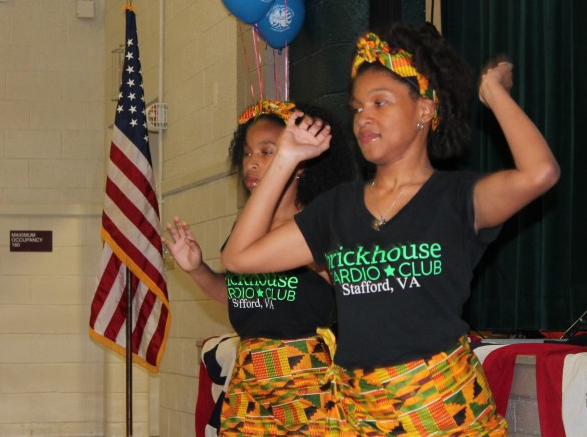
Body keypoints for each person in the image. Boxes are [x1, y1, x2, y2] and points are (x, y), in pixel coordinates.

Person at [222, 22, 560, 436]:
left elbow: (540, 172)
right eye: (358, 108)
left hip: (440, 408)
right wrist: (286, 159)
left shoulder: (456, 198)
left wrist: (493, 93)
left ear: (425, 109)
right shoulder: (337, 209)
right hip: (358, 412)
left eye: (380, 103)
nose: (364, 117)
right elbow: (238, 257)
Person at [163, 99, 355, 436]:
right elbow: (241, 296)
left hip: (306, 375)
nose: (252, 162)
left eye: (267, 152)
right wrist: (196, 269)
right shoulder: (245, 231)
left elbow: (351, 288)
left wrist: (311, 253)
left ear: (299, 162)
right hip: (249, 373)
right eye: (248, 153)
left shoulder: (318, 223)